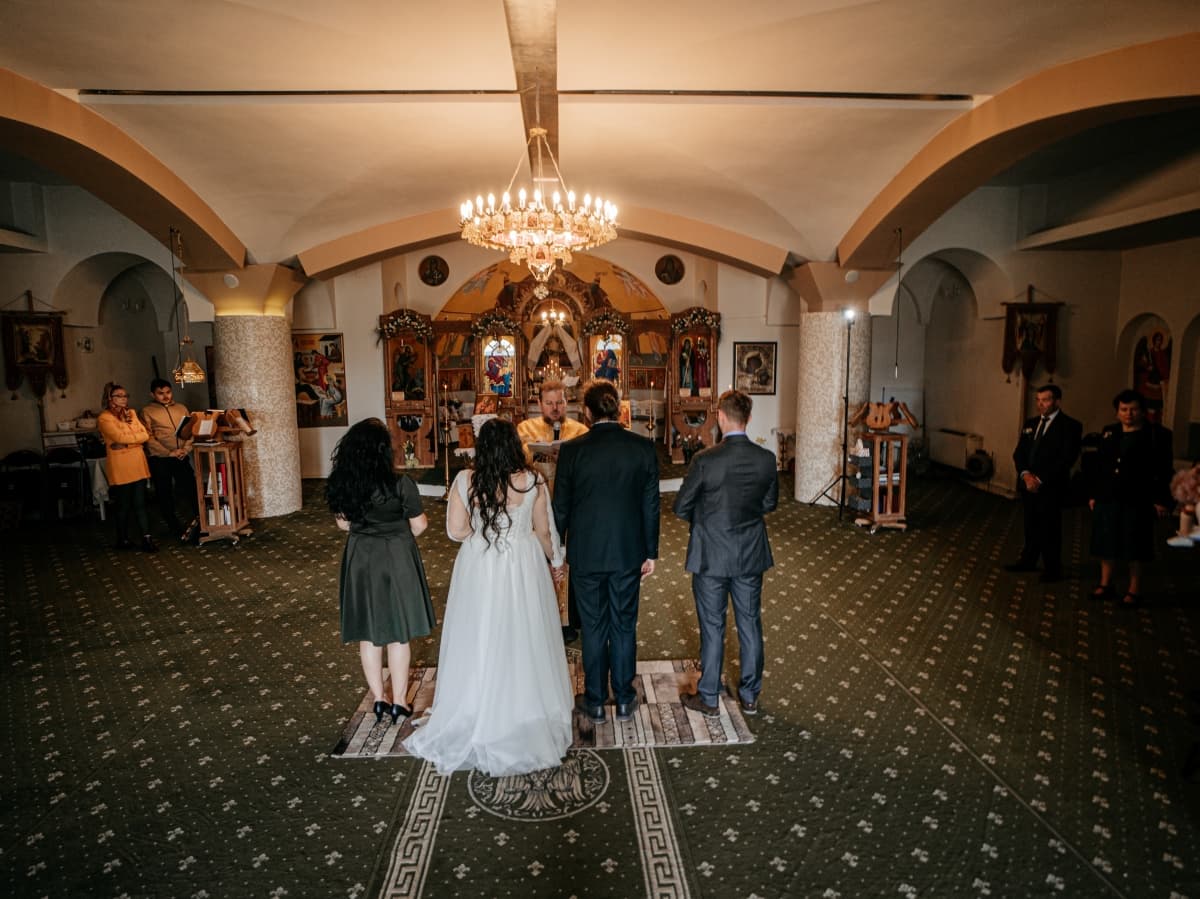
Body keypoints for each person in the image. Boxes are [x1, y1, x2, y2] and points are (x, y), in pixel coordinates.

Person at [404, 418, 572, 776]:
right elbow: (545, 531)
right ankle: (523, 708)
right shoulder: (533, 481)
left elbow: (455, 531)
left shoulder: (466, 480)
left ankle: (477, 704)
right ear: (514, 445)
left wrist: (484, 532)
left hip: (480, 565)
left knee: (480, 632)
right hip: (524, 564)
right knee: (524, 632)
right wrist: (557, 562)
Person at [553, 380, 659, 724]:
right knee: (624, 625)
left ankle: (596, 701)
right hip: (629, 552)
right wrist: (651, 552)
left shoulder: (572, 450)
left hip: (586, 554)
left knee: (594, 626)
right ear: (618, 408)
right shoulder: (642, 448)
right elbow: (651, 505)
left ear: (586, 412)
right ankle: (625, 699)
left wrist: (557, 552)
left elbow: (560, 507)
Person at [673, 390, 778, 718]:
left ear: (720, 417)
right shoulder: (766, 459)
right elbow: (769, 503)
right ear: (748, 419)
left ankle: (708, 698)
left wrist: (707, 518)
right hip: (749, 553)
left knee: (713, 625)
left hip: (710, 555)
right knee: (750, 623)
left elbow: (681, 506)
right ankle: (750, 697)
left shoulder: (705, 460)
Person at [327, 418, 435, 726]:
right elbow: (420, 525)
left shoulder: (343, 484)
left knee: (369, 632)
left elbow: (343, 524)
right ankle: (399, 701)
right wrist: (395, 535)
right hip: (397, 555)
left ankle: (378, 698)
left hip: (361, 557)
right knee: (399, 633)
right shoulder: (401, 483)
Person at [1087, 389, 1174, 608]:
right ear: (1117, 412)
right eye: (1124, 409)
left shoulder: (1157, 435)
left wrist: (1161, 499)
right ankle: (1105, 584)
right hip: (1108, 496)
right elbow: (1100, 466)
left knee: (1135, 545)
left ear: (1142, 411)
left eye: (1133, 409)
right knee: (1106, 541)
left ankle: (1134, 590)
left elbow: (1164, 470)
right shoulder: (1109, 432)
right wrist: (1095, 494)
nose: (1128, 414)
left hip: (1138, 499)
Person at [517, 380, 590, 642]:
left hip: (572, 506)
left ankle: (570, 620)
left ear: (566, 403)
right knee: (540, 559)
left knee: (569, 560)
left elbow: (589, 466)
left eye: (559, 402)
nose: (555, 408)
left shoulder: (581, 431)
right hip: (537, 506)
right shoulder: (525, 429)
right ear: (539, 404)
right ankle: (542, 618)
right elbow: (517, 463)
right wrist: (537, 452)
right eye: (549, 403)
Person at [1005, 383, 1082, 583]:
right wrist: (1025, 475)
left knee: (1050, 527)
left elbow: (1066, 459)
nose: (1040, 404)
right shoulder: (1031, 423)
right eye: (1038, 400)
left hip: (1051, 486)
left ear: (1057, 401)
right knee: (1030, 524)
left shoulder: (1070, 426)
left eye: (1045, 400)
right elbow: (1019, 452)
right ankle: (1028, 560)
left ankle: (1052, 568)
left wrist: (1039, 479)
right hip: (1028, 484)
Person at [97, 381, 156, 552]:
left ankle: (147, 538)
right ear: (110, 398)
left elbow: (144, 435)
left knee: (140, 503)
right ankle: (122, 538)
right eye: (119, 396)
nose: (124, 399)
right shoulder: (104, 418)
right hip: (121, 464)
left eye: (125, 396)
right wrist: (133, 441)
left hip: (137, 461)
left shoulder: (131, 413)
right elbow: (119, 437)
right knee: (123, 504)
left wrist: (129, 443)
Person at [140, 378, 198, 539]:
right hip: (160, 458)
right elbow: (148, 437)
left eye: (168, 392)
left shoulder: (181, 408)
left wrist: (186, 449)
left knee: (191, 488)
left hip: (181, 456)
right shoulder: (147, 411)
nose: (165, 396)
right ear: (152, 394)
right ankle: (173, 526)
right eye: (160, 393)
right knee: (164, 493)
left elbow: (190, 430)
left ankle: (200, 521)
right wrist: (168, 452)